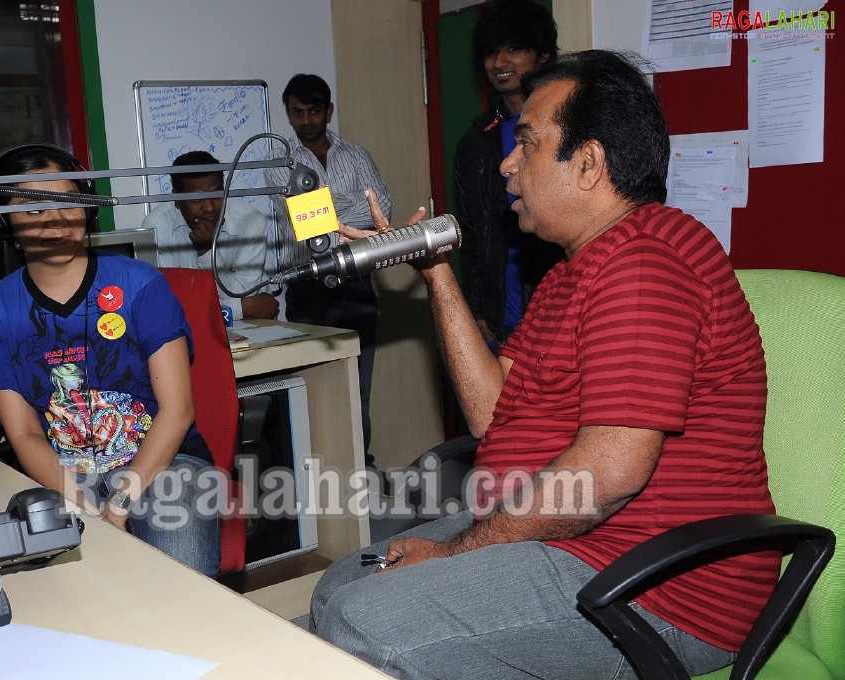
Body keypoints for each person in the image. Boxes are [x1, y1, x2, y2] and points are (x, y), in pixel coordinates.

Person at [309, 51, 779, 679]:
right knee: (339, 585)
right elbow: (492, 415)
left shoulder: (647, 264)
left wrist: (454, 556)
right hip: (575, 546)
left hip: (656, 590)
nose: (507, 162)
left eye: (526, 142)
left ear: (590, 164)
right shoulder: (569, 275)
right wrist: (436, 272)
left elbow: (608, 476)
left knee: (365, 619)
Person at [0, 143, 221, 578]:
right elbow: (25, 434)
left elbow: (178, 411)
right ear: (2, 221)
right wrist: (86, 510)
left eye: (66, 202)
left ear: (86, 206)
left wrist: (118, 508)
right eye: (31, 209)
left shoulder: (142, 285)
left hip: (162, 460)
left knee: (182, 576)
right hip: (64, 475)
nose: (53, 220)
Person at [267, 73, 391, 465]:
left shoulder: (355, 154)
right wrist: (351, 204)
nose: (306, 120)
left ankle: (360, 467)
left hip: (357, 284)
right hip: (309, 288)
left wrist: (323, 203)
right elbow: (305, 222)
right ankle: (319, 471)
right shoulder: (279, 162)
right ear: (288, 115)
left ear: (328, 110)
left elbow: (382, 211)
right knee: (312, 385)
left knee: (360, 387)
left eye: (314, 110)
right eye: (297, 112)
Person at [454, 0, 563, 351]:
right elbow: (470, 234)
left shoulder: (569, 126)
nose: (499, 63)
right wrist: (476, 311)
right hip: (497, 326)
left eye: (513, 48)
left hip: (559, 318)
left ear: (543, 54)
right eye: (490, 52)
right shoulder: (475, 141)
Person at [141, 150, 279, 321]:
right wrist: (245, 307)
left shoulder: (251, 222)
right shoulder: (156, 228)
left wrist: (207, 252)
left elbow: (242, 291)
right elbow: (172, 303)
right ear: (176, 199)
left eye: (216, 194)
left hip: (252, 327)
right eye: (197, 199)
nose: (209, 208)